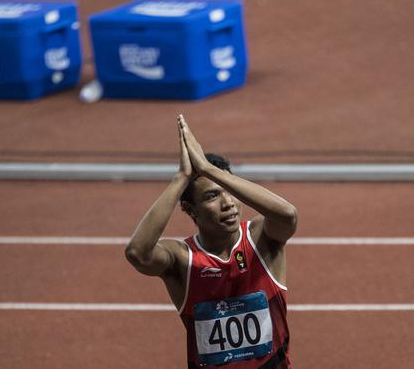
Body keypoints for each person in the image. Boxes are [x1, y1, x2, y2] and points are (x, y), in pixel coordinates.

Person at [125, 115, 298, 368]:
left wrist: (208, 170)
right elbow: (137, 253)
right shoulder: (183, 259)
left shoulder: (262, 238)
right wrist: (181, 178)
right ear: (190, 209)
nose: (228, 203)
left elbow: (288, 215)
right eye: (213, 195)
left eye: (230, 191)